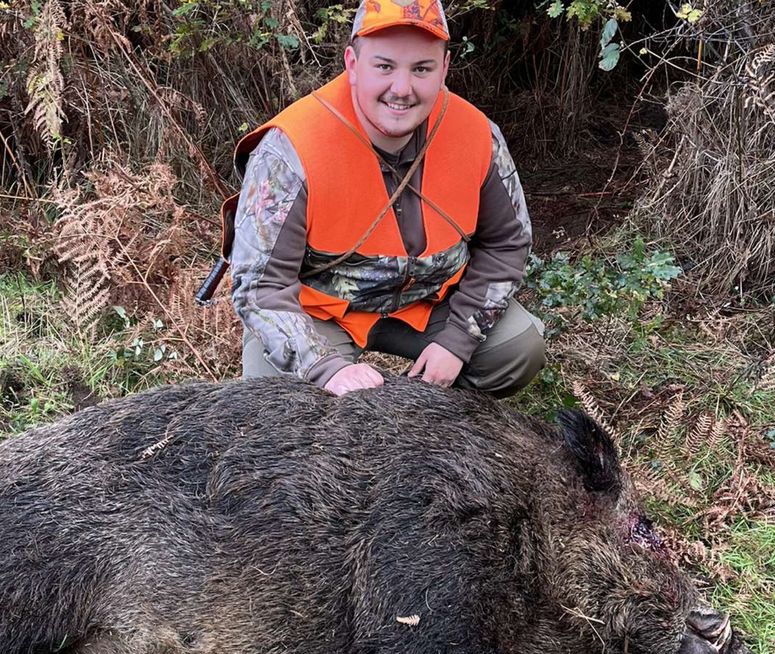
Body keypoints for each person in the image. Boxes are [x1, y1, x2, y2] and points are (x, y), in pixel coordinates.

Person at [224, 0, 544, 397]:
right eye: (385, 66)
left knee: (516, 350)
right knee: (277, 398)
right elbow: (261, 288)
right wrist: (324, 368)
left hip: (431, 300)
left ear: (444, 69)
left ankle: (450, 431)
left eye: (422, 69)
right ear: (352, 65)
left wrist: (458, 340)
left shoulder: (477, 135)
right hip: (322, 311)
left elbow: (507, 243)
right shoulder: (290, 151)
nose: (402, 89)